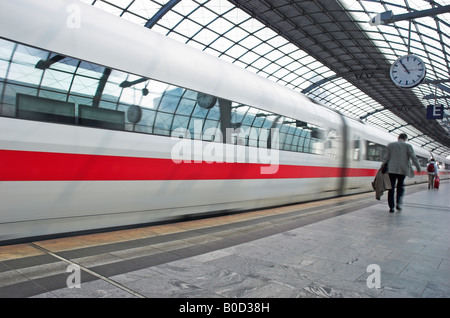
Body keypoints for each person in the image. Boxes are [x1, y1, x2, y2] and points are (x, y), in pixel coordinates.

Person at [382, 133, 421, 213]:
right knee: (400, 186)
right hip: (402, 170)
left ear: (398, 137)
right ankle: (399, 203)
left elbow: (386, 158)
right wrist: (418, 167)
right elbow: (414, 157)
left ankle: (391, 207)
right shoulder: (408, 146)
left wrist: (382, 167)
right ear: (405, 138)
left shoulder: (390, 145)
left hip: (391, 170)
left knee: (391, 188)